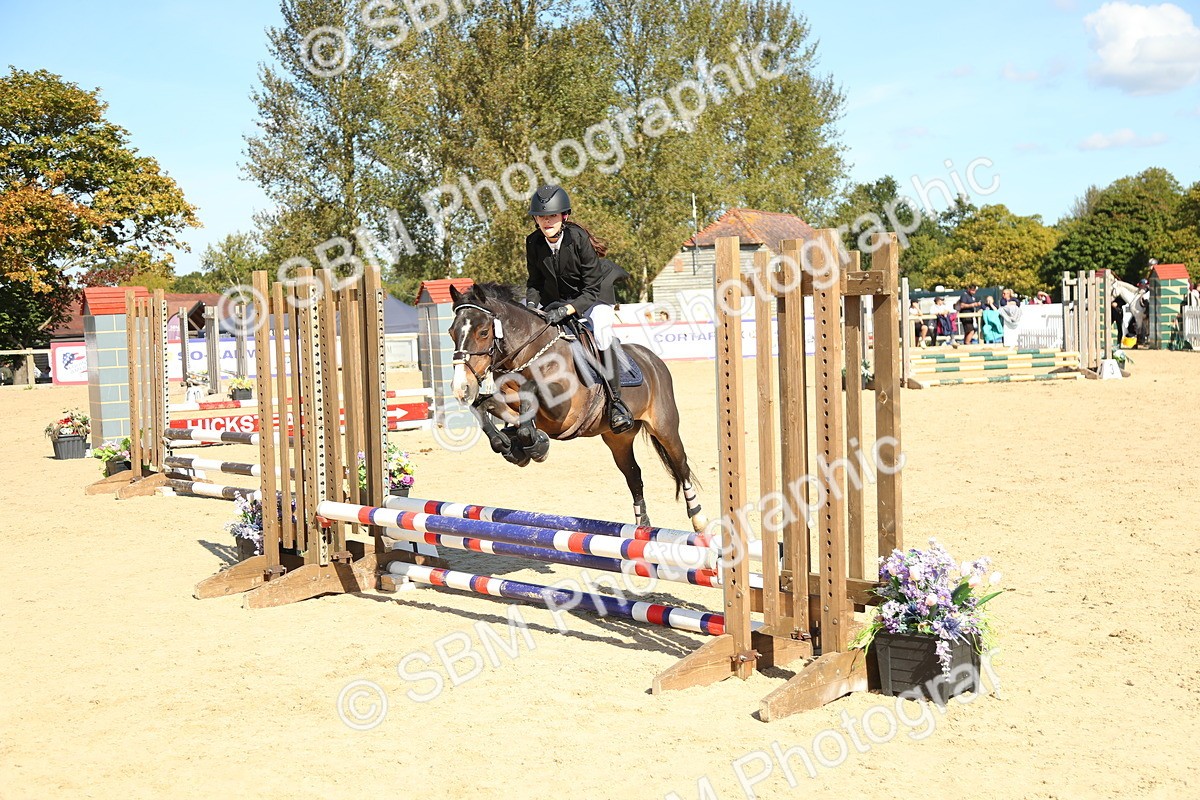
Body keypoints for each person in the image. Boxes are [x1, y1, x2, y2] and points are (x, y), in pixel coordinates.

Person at [525, 184, 633, 433]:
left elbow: (592, 289)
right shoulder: (533, 242)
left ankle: (616, 404)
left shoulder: (578, 238)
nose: (546, 220)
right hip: (557, 300)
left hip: (593, 296)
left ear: (564, 216)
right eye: (542, 216)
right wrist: (531, 306)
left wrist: (568, 311)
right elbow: (535, 283)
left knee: (604, 331)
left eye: (552, 215)